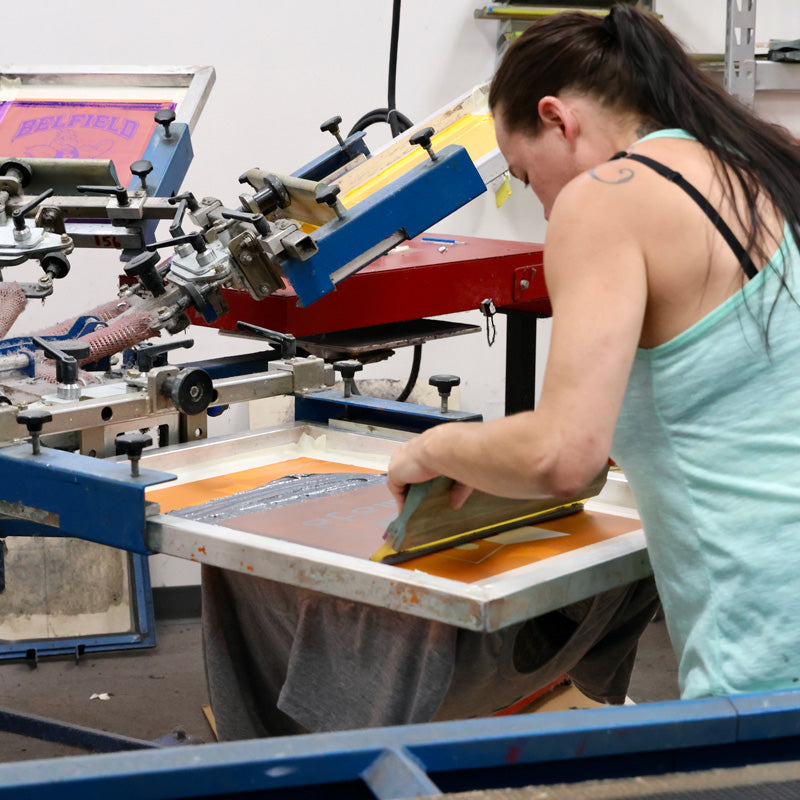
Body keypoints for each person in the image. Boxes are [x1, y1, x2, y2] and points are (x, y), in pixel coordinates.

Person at [388, 4, 800, 700]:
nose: (544, 205)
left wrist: (434, 449)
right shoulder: (761, 166)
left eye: (523, 175)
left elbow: (563, 457)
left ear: (557, 117)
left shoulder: (605, 198)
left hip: (768, 654)